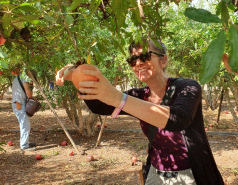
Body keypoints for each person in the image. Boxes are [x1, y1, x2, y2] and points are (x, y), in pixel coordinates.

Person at [55, 39, 224, 185]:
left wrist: (119, 98)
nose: (138, 63)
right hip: (156, 173)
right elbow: (100, 106)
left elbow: (178, 118)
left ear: (163, 61)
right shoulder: (139, 96)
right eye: (133, 60)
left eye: (144, 57)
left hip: (190, 174)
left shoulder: (187, 87)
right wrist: (77, 75)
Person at [12, 71, 37, 151]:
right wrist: (32, 98)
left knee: (25, 123)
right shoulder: (24, 77)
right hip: (19, 104)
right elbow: (28, 93)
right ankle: (24, 145)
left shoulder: (17, 77)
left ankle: (26, 142)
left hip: (17, 103)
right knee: (24, 124)